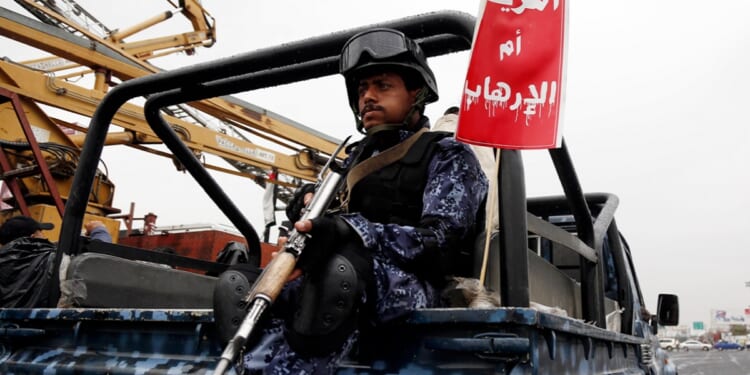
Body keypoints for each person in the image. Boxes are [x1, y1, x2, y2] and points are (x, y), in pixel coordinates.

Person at [216, 28, 488, 374]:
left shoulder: (447, 154)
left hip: (414, 284)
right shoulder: (353, 160)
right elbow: (319, 216)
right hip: (347, 276)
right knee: (236, 287)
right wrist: (306, 204)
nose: (368, 97)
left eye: (382, 86)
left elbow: (439, 242)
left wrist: (352, 230)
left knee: (336, 277)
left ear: (416, 93)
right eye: (362, 89)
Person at [0, 216, 112, 308]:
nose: (45, 237)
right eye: (41, 233)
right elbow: (97, 257)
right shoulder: (52, 259)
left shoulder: (5, 262)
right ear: (33, 237)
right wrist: (99, 230)